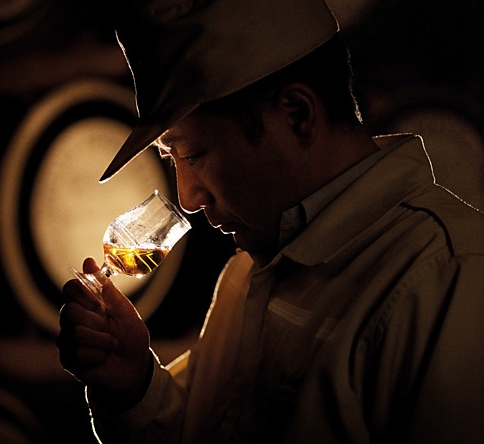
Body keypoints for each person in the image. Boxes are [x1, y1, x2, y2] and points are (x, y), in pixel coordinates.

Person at [56, 0, 484, 442]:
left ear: (296, 114)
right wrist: (134, 387)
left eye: (194, 154)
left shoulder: (449, 277)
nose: (187, 198)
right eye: (171, 158)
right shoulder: (246, 274)